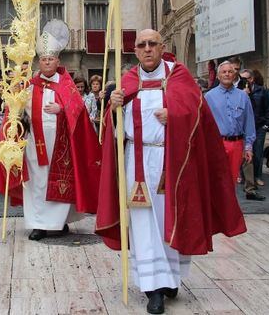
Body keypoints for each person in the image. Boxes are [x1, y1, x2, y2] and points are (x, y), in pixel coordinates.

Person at [96, 30, 246, 315]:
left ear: (162, 47)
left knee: (169, 218)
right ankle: (153, 288)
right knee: (143, 222)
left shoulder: (178, 75)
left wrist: (174, 116)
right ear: (135, 50)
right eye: (142, 45)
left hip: (172, 160)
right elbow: (114, 132)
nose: (148, 49)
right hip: (136, 162)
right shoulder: (127, 81)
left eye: (153, 44)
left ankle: (170, 278)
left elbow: (197, 113)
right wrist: (113, 108)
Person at [0, 40, 102, 241]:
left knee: (61, 181)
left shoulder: (66, 84)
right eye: (43, 59)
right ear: (39, 62)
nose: (47, 62)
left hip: (62, 144)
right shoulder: (30, 85)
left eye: (51, 59)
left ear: (57, 60)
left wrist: (62, 109)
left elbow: (79, 112)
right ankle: (38, 225)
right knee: (36, 183)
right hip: (35, 142)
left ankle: (60, 222)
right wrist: (14, 97)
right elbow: (15, 111)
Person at [204, 62, 266, 201]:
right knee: (216, 179)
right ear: (218, 76)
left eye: (230, 72)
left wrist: (248, 146)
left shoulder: (243, 96)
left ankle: (229, 210)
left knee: (231, 180)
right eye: (224, 72)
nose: (227, 74)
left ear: (235, 75)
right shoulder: (209, 97)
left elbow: (249, 122)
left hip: (236, 143)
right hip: (217, 143)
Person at [239, 69, 269, 186]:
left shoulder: (261, 91)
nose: (244, 81)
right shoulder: (238, 92)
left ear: (252, 79)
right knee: (244, 152)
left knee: (258, 152)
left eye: (246, 78)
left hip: (258, 125)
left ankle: (257, 175)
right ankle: (243, 176)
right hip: (243, 126)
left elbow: (268, 108)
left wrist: (266, 124)